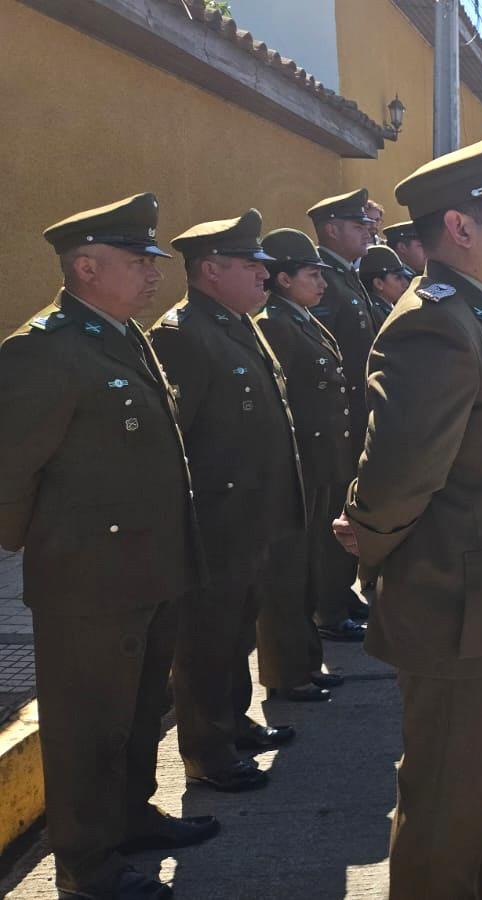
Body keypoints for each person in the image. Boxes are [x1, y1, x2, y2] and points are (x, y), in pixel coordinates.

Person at [332, 127, 482, 894]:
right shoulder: (438, 322)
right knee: (445, 805)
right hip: (463, 610)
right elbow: (400, 473)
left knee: (476, 794)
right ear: (460, 228)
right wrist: (368, 538)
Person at [0, 194, 214, 900]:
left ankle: (130, 818)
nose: (154, 273)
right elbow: (9, 470)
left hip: (148, 569)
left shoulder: (124, 335)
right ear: (86, 268)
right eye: (137, 261)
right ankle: (87, 868)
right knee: (89, 727)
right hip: (88, 581)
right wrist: (48, 547)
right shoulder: (45, 348)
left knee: (139, 710)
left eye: (153, 261)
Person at [151, 209, 304, 792]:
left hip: (250, 517)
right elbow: (177, 439)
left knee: (238, 630)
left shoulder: (238, 323)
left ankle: (234, 722)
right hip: (215, 520)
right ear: (210, 270)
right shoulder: (183, 333)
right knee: (206, 639)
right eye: (249, 264)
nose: (264, 274)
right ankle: (207, 751)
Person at [255, 227, 357, 701]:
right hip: (300, 465)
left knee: (310, 567)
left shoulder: (301, 319)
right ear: (283, 278)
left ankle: (305, 662)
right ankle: (287, 671)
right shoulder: (276, 323)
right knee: (289, 574)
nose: (322, 283)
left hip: (321, 464)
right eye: (312, 274)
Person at [306, 188, 380, 512]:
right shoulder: (322, 278)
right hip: (340, 419)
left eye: (367, 224)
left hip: (358, 412)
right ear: (331, 230)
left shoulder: (346, 275)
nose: (368, 231)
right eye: (357, 225)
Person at [359, 243, 415, 325]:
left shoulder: (383, 308)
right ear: (378, 284)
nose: (405, 284)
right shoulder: (375, 314)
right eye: (398, 278)